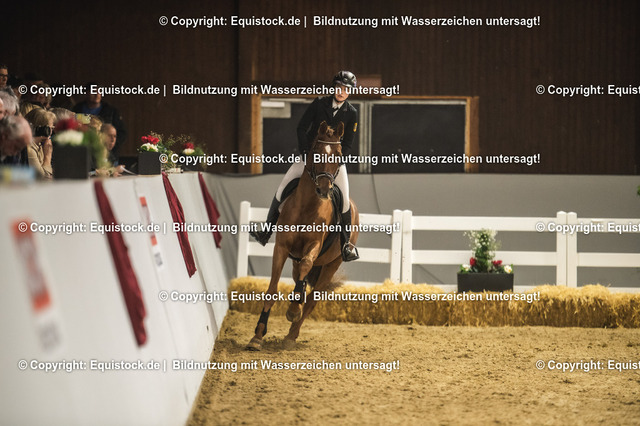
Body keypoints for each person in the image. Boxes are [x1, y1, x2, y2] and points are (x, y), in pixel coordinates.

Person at [250, 71, 360, 261]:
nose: (342, 92)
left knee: (344, 199)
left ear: (349, 92)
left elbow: (349, 143)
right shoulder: (319, 103)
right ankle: (266, 232)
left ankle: (345, 246)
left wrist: (338, 162)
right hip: (309, 157)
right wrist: (304, 152)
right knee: (283, 187)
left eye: (346, 89)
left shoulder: (352, 113)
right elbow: (301, 128)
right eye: (339, 87)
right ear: (334, 87)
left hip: (333, 163)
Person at [73, 83, 126, 161]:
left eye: (99, 92)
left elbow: (122, 132)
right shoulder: (77, 109)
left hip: (107, 155)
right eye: (93, 92)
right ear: (86, 93)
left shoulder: (110, 110)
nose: (97, 95)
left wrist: (111, 144)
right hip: (82, 152)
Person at [24, 108, 55, 179]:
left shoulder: (39, 145)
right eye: (50, 128)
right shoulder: (29, 148)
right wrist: (48, 156)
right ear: (42, 129)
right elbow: (42, 178)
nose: (51, 132)